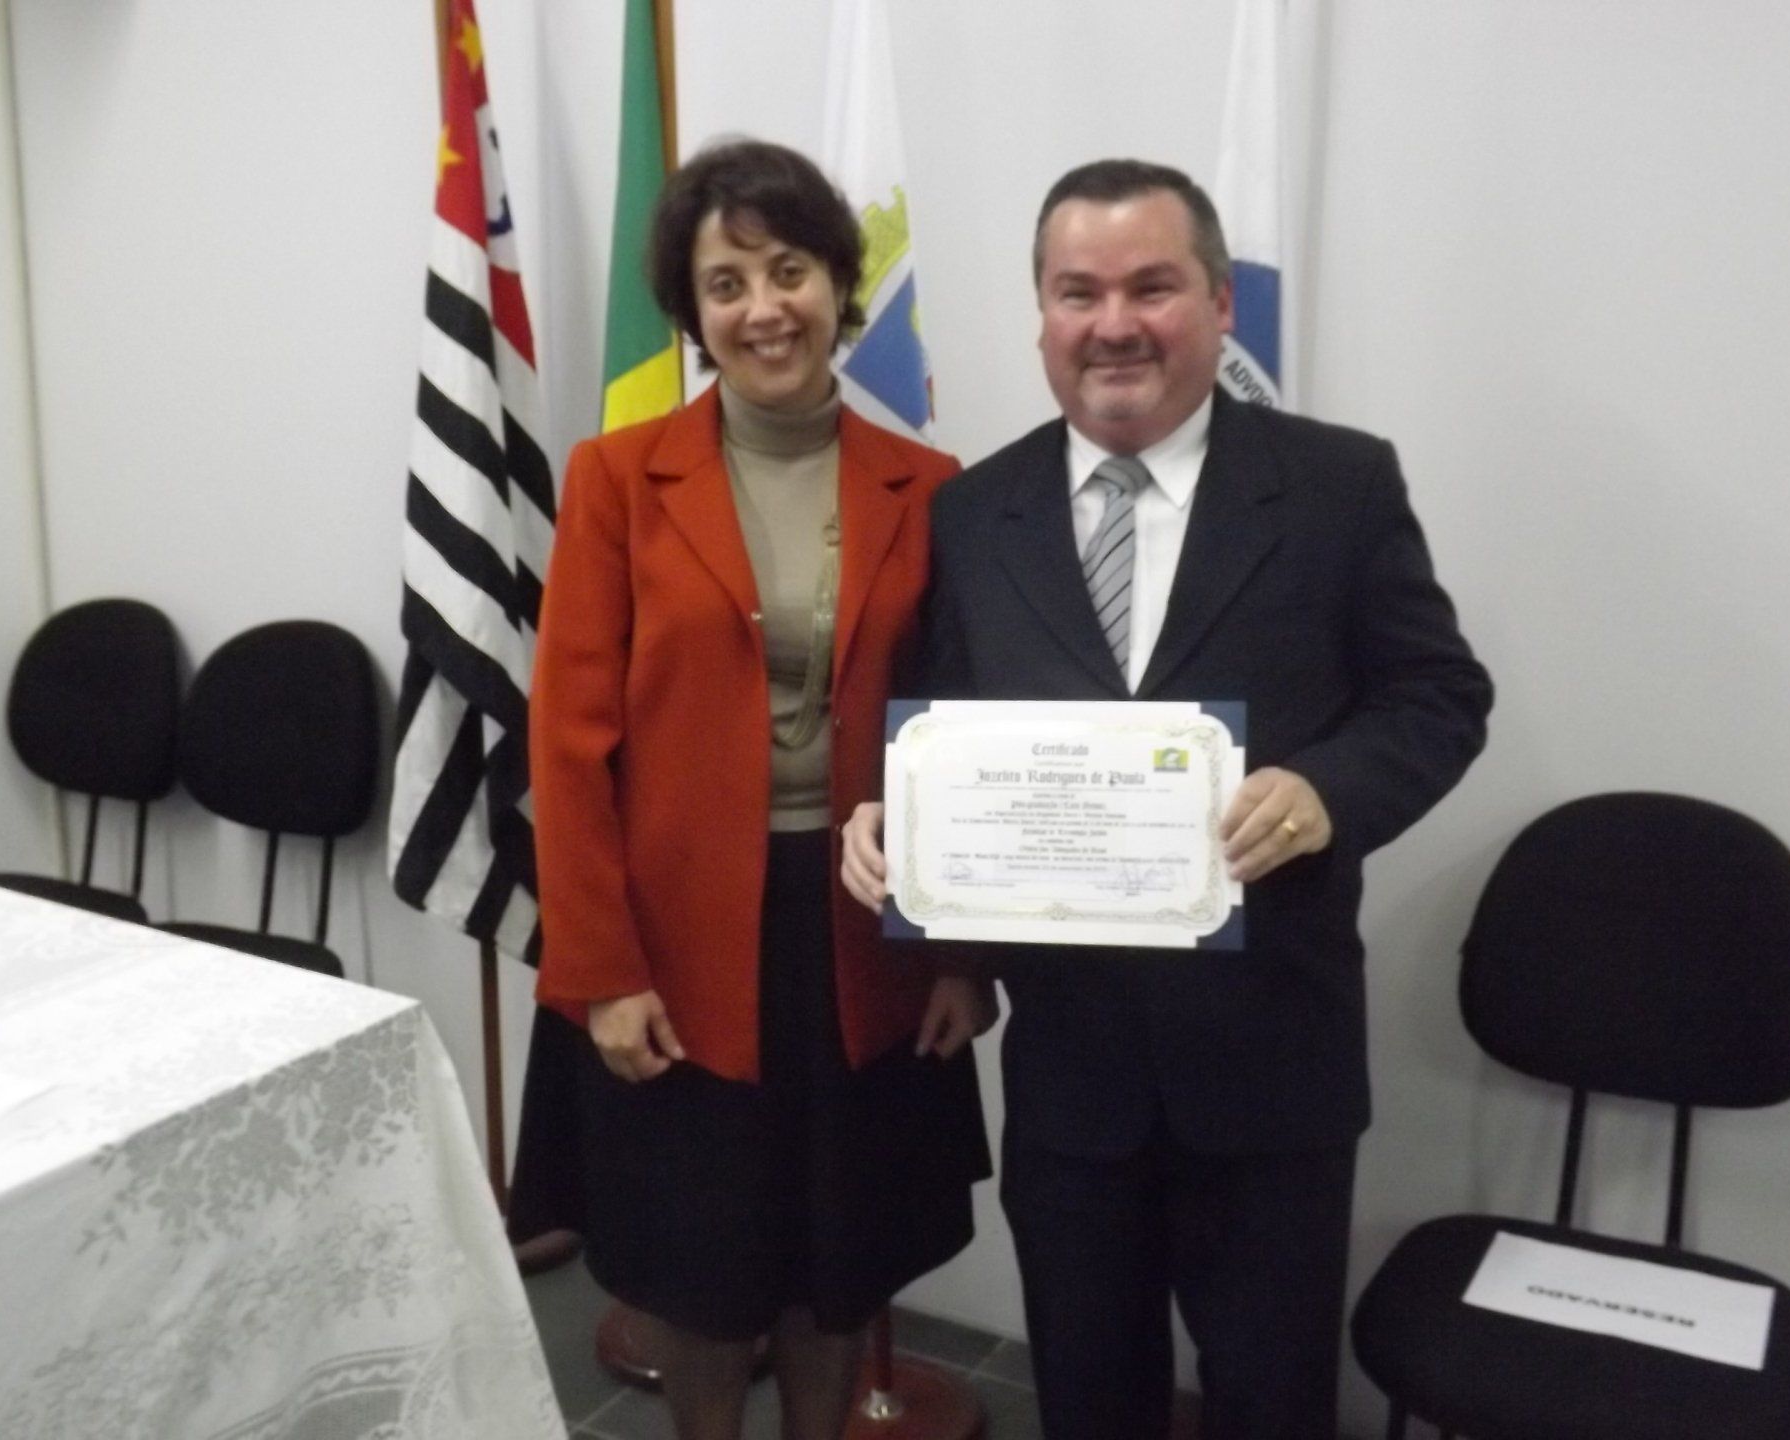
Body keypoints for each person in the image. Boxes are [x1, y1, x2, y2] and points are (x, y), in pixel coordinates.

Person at [842, 159, 1493, 1439]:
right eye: (1077, 292)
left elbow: (1439, 696)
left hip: (1273, 1068)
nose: (1115, 324)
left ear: (1220, 303)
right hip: (1072, 1073)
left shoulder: (1340, 486)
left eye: (1153, 287)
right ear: (1041, 314)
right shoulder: (974, 512)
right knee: (1089, 1399)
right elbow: (951, 723)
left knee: (1271, 1403)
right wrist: (898, 824)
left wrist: (1327, 789)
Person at [529, 138, 996, 1440]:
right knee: (700, 1261)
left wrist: (958, 953)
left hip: (861, 930)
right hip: (675, 941)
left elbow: (954, 734)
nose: (762, 308)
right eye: (724, 283)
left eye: (788, 270)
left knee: (838, 1253)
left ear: (839, 284)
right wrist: (600, 972)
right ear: (693, 314)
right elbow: (566, 745)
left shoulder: (934, 491)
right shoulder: (617, 480)